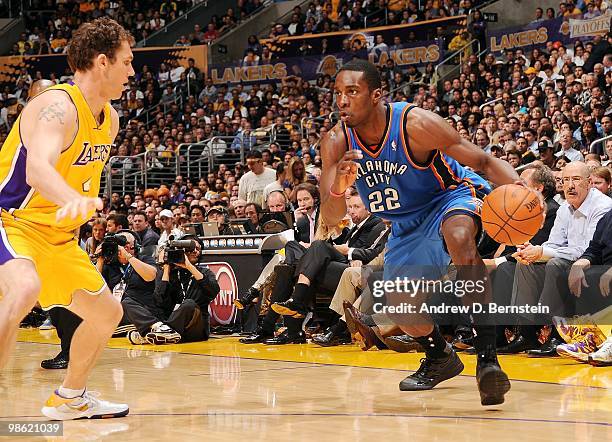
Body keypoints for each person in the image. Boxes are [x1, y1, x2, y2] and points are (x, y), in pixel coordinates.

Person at [320, 59, 521, 406]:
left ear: (377, 95)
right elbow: (331, 215)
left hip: (450, 197)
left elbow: (483, 162)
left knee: (459, 238)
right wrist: (339, 185)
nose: (342, 100)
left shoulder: (416, 124)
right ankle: (440, 355)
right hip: (404, 224)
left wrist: (521, 188)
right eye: (337, 93)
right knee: (401, 310)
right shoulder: (336, 141)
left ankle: (487, 360)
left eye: (352, 91)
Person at [0, 17, 134, 419]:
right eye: (127, 61)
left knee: (108, 312)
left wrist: (80, 204)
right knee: (24, 288)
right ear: (101, 61)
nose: (132, 71)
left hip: (56, 239)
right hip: (11, 222)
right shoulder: (57, 106)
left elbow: (80, 174)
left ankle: (70, 398)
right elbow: (37, 169)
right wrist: (71, 197)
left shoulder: (108, 118)